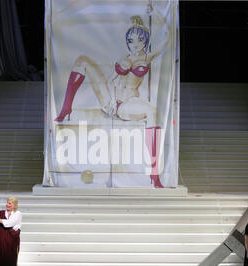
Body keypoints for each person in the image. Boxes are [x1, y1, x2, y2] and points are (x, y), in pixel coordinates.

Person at [54, 4, 171, 188]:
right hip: (110, 99)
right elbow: (111, 78)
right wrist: (104, 84)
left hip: (128, 104)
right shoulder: (124, 56)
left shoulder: (147, 57)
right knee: (83, 60)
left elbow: (167, 40)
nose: (134, 44)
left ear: (145, 41)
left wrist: (159, 15)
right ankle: (66, 107)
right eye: (131, 41)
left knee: (152, 111)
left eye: (139, 40)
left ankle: (154, 175)